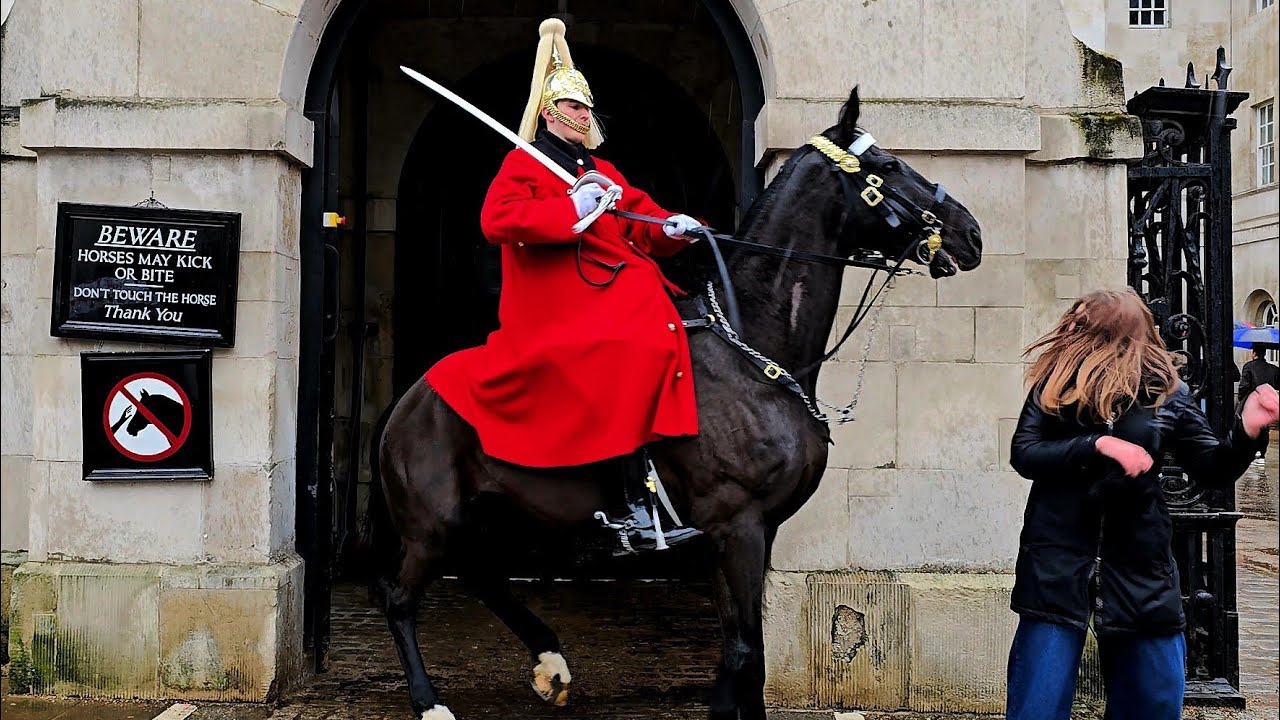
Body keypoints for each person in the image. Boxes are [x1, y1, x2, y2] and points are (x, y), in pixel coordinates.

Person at [425, 18, 704, 554]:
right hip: (559, 302)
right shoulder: (523, 163)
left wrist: (673, 228)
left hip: (610, 289)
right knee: (634, 339)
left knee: (663, 325)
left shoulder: (604, 170)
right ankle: (627, 501)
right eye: (574, 107)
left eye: (587, 108)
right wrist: (567, 208)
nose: (584, 115)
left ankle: (653, 486)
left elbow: (638, 219)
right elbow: (497, 219)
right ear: (551, 113)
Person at [1004, 288, 1279, 720]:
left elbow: (1211, 469)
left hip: (1140, 569)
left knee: (1151, 706)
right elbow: (1025, 452)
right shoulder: (1056, 385)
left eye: (1083, 323)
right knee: (1036, 709)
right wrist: (1098, 444)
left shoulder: (1167, 393)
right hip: (1056, 564)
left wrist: (1247, 432)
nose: (1072, 329)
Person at [1238, 343, 1279, 459]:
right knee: (1264, 428)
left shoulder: (1249, 366)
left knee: (1249, 427)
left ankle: (1251, 451)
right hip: (1267, 403)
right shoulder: (1273, 369)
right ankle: (1262, 453)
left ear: (1254, 353)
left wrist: (1242, 400)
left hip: (1253, 401)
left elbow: (1243, 386)